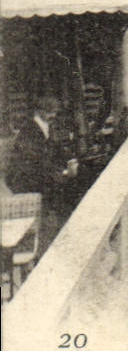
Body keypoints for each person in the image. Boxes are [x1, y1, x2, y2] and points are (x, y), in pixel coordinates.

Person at [5, 95, 79, 248]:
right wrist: (63, 173)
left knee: (73, 185)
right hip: (25, 179)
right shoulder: (29, 131)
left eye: (55, 112)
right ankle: (54, 236)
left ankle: (62, 229)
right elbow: (36, 164)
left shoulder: (46, 126)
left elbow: (55, 149)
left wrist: (71, 160)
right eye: (50, 112)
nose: (53, 115)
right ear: (39, 111)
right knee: (66, 191)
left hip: (38, 174)